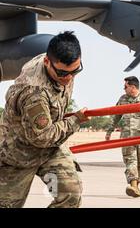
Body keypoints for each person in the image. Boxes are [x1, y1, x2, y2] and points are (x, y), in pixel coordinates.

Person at [0, 31, 90, 208]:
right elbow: (42, 137)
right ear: (47, 62)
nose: (69, 78)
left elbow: (47, 138)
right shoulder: (34, 92)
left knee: (70, 194)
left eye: (75, 71)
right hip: (18, 154)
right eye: (63, 73)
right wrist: (75, 121)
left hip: (50, 150)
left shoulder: (58, 63)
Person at [105, 76, 140, 198]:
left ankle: (136, 187)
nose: (123, 89)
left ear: (132, 87)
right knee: (131, 161)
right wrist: (109, 131)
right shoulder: (123, 99)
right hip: (126, 137)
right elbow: (115, 115)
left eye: (125, 86)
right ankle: (133, 186)